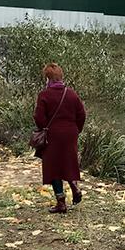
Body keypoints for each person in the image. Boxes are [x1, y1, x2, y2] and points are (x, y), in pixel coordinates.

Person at [34, 63, 86, 214]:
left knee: (54, 167)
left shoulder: (44, 95)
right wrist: (76, 130)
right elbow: (82, 115)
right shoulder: (71, 94)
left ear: (47, 78)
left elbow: (38, 118)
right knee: (69, 162)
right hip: (71, 133)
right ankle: (75, 188)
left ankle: (61, 203)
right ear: (61, 77)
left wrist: (45, 128)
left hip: (52, 134)